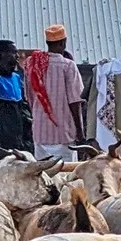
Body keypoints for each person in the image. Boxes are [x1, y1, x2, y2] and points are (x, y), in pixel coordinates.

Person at [23, 23, 86, 159]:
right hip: (63, 133)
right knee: (65, 175)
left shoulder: (32, 66)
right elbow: (75, 102)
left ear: (47, 43)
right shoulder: (68, 66)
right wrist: (80, 132)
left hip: (40, 133)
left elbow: (29, 98)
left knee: (43, 175)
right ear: (63, 43)